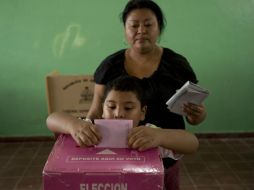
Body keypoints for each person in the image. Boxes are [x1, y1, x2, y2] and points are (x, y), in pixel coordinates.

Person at [47, 1, 207, 189]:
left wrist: (191, 118)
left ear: (159, 28)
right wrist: (78, 126)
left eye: (148, 24)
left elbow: (192, 138)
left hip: (164, 159)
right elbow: (86, 113)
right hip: (112, 173)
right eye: (134, 25)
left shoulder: (177, 65)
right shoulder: (109, 67)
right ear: (125, 29)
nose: (141, 30)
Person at [47, 76, 199, 189]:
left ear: (142, 112)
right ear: (102, 109)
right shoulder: (90, 129)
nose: (118, 114)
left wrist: (161, 136)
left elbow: (192, 143)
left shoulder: (148, 136)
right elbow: (52, 119)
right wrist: (73, 125)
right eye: (111, 107)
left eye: (128, 108)